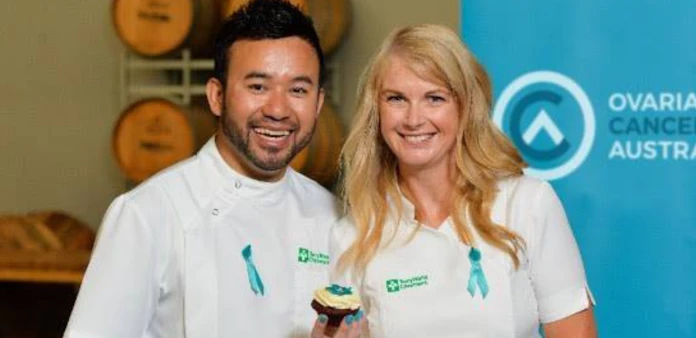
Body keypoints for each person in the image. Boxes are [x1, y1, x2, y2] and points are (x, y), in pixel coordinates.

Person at [65, 1, 360, 337]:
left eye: (297, 90)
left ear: (318, 103)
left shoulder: (332, 218)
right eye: (258, 86)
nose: (278, 109)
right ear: (217, 96)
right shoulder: (148, 215)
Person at [329, 24, 598, 337]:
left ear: (466, 107)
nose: (414, 119)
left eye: (434, 98)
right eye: (397, 99)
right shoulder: (353, 236)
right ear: (376, 110)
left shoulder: (527, 203)